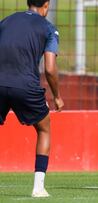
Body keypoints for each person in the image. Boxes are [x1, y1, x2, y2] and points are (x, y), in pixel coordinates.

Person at [0, 0, 64, 198]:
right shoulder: (49, 28)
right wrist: (57, 97)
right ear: (46, 5)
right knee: (44, 128)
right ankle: (38, 187)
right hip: (25, 86)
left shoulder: (6, 21)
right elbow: (50, 68)